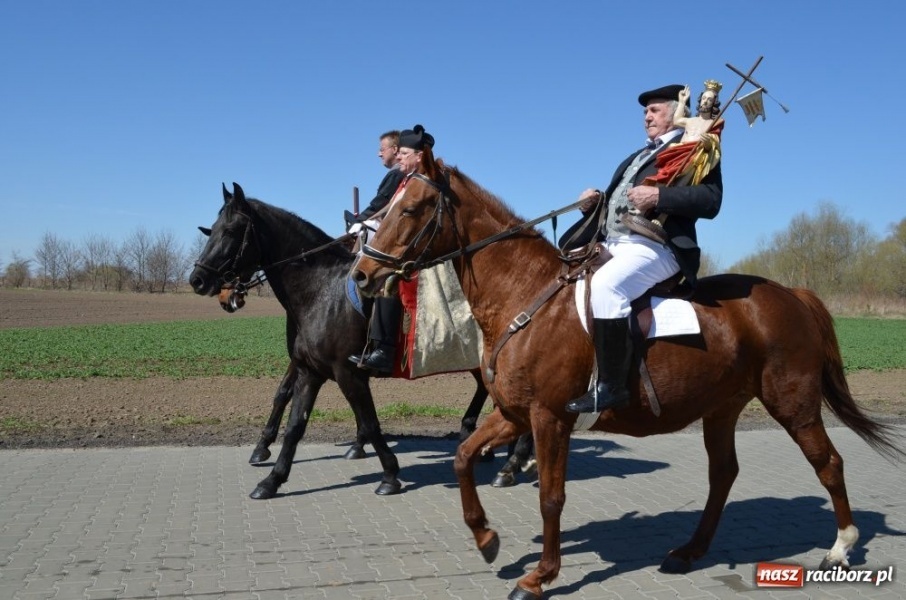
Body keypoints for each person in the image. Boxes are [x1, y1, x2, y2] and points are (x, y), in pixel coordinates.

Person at [561, 84, 723, 414]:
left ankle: (612, 386)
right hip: (612, 244)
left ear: (678, 113)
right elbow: (618, 207)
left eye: (654, 110)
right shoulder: (636, 157)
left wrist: (660, 198)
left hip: (656, 247)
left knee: (608, 286)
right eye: (645, 112)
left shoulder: (696, 147)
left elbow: (711, 201)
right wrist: (593, 204)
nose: (646, 116)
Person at [350, 124, 435, 374]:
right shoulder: (407, 180)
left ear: (419, 156)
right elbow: (387, 211)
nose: (398, 156)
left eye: (403, 153)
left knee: (387, 282)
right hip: (402, 247)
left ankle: (385, 350)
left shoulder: (422, 182)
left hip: (417, 252)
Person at [347, 130, 406, 242]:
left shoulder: (397, 173)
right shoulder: (403, 173)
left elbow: (379, 204)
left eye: (382, 150)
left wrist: (358, 221)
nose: (379, 154)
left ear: (394, 149)